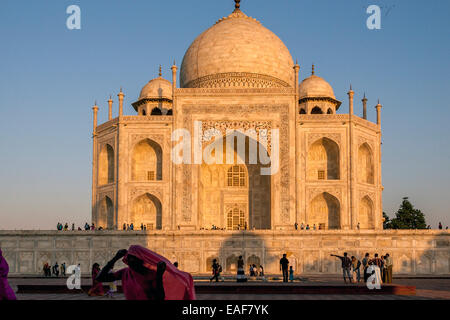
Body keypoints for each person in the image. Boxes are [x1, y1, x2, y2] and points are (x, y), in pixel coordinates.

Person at [96, 245, 195, 300]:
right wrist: (115, 258)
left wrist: (159, 276)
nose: (128, 261)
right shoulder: (126, 273)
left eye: (132, 259)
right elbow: (100, 278)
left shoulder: (151, 274)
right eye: (128, 258)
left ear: (140, 259)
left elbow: (160, 297)